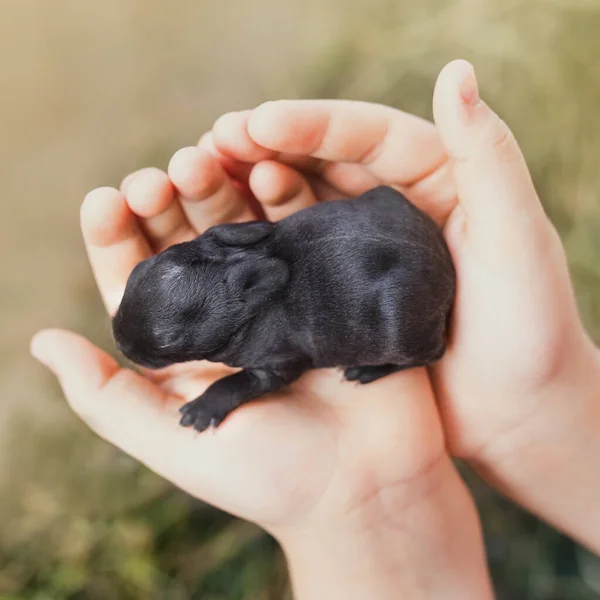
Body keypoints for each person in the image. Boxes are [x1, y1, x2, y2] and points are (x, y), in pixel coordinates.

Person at [30, 59, 600, 599]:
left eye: (174, 347)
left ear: (243, 295)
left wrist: (223, 395)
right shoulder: (233, 241)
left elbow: (275, 372)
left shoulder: (263, 329)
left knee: (401, 324)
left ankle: (409, 354)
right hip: (388, 215)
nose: (139, 351)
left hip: (400, 283)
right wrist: (542, 408)